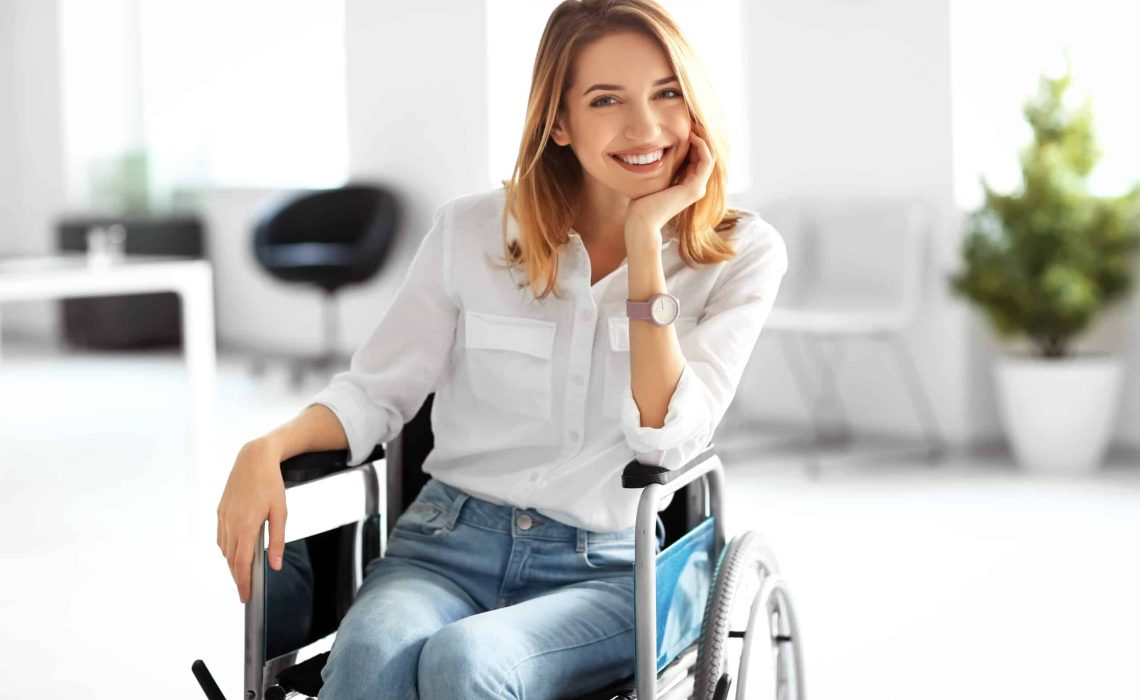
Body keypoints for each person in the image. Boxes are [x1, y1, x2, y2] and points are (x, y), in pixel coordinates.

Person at [216, 0, 788, 697]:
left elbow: (666, 437)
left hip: (605, 567)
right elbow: (375, 392)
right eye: (607, 100)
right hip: (444, 543)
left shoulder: (742, 255)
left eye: (668, 93)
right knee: (367, 658)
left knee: (466, 663)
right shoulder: (471, 232)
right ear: (559, 121)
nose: (646, 127)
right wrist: (265, 448)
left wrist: (646, 244)